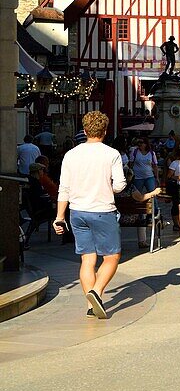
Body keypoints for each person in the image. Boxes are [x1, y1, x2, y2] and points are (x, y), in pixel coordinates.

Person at [52, 111, 127, 319]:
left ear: (84, 131)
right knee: (112, 257)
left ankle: (89, 304)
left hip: (77, 212)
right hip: (103, 210)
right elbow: (120, 186)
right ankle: (96, 291)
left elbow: (63, 188)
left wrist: (59, 216)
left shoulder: (71, 155)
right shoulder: (111, 154)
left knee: (87, 259)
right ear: (105, 131)